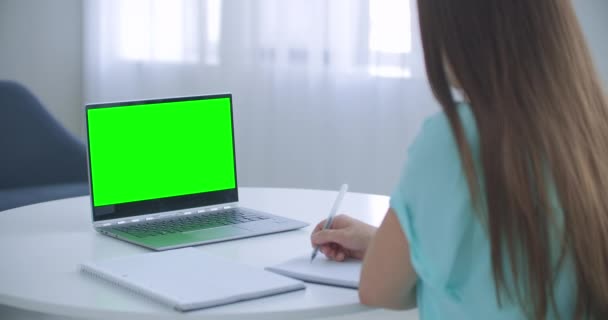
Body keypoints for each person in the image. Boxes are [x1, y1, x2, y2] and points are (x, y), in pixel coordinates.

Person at [310, 0, 608, 319]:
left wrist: (385, 256)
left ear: (458, 33)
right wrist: (379, 243)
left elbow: (379, 289)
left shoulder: (454, 140)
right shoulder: (591, 130)